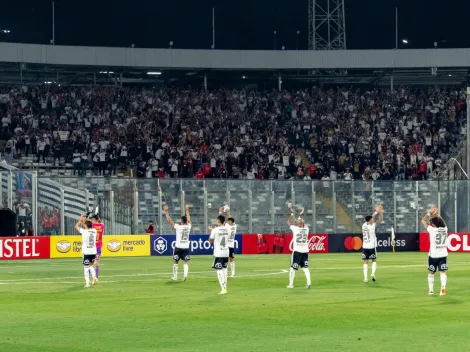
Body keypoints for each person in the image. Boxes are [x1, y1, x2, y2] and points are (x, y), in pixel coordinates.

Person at [421, 205, 448, 296]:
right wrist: (437, 214)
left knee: (431, 272)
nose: (431, 223)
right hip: (443, 254)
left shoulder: (432, 230)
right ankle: (443, 288)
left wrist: (430, 213)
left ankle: (431, 290)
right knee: (442, 272)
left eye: (432, 223)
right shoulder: (445, 229)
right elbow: (442, 221)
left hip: (433, 255)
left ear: (434, 224)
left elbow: (423, 220)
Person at [164, 204, 191, 281]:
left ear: (181, 221)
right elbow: (189, 219)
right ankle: (185, 275)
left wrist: (166, 211)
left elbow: (169, 221)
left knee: (175, 261)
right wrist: (187, 210)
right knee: (185, 262)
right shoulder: (189, 226)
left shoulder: (178, 227)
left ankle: (175, 276)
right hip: (186, 247)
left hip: (178, 247)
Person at [286, 208, 311, 289]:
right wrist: (301, 215)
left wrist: (292, 214)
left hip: (297, 251)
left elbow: (288, 222)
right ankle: (308, 282)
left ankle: (291, 284)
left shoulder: (295, 228)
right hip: (305, 251)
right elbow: (302, 222)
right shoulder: (307, 229)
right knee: (305, 268)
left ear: (297, 223)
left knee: (292, 268)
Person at [362, 205, 383, 283]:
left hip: (365, 246)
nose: (373, 220)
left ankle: (365, 278)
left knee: (365, 261)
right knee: (374, 260)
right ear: (370, 220)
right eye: (372, 219)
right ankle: (373, 274)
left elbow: (371, 216)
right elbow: (380, 220)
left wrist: (376, 212)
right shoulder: (372, 226)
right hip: (372, 246)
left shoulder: (364, 225)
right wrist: (379, 212)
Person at [75, 216, 98, 288]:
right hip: (93, 251)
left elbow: (76, 226)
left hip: (87, 252)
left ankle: (87, 283)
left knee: (86, 267)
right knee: (91, 265)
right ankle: (94, 277)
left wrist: (80, 219)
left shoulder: (84, 232)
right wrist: (84, 221)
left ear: (86, 226)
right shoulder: (94, 231)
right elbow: (88, 224)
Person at [209, 215, 229, 295]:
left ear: (218, 221)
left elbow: (210, 241)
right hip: (226, 252)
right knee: (224, 270)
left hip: (219, 253)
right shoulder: (227, 229)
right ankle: (225, 287)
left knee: (219, 271)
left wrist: (211, 231)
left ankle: (223, 289)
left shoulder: (215, 230)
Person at [220, 206, 237, 278]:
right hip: (231, 245)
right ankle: (232, 273)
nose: (227, 221)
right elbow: (231, 218)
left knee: (226, 259)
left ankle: (226, 273)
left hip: (227, 245)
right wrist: (227, 212)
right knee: (231, 259)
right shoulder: (234, 226)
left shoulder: (228, 226)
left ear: (230, 222)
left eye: (228, 221)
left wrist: (221, 212)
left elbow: (221, 221)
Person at [91, 215, 104, 279]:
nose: (91, 221)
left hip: (93, 247)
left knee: (92, 263)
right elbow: (100, 222)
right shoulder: (102, 226)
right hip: (98, 246)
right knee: (96, 262)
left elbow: (85, 223)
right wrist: (98, 219)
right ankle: (96, 276)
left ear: (94, 220)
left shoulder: (92, 226)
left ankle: (95, 277)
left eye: (92, 220)